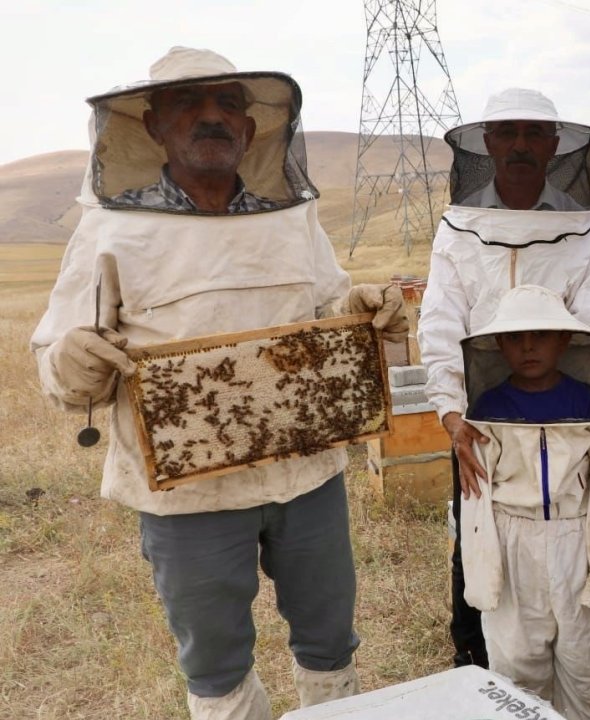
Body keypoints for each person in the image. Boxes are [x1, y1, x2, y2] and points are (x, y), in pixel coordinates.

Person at [29, 47, 408, 720]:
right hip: (187, 499)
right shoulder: (112, 229)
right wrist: (73, 360)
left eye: (227, 103)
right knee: (215, 663)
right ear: (152, 126)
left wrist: (361, 309)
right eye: (189, 104)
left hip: (309, 474)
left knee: (329, 640)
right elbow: (57, 359)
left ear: (252, 127)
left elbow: (327, 308)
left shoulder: (291, 218)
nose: (212, 117)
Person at [419, 87, 590, 669]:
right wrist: (448, 411)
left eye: (533, 134)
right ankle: (474, 653)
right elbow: (441, 320)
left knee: (577, 524)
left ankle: (574, 633)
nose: (520, 145)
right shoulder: (457, 226)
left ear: (555, 146)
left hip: (570, 410)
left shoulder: (580, 230)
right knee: (476, 530)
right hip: (481, 417)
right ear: (487, 143)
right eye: (508, 133)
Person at [458, 285, 590, 720]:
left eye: (541, 336)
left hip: (576, 536)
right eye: (515, 338)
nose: (528, 347)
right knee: (515, 663)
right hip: (512, 538)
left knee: (583, 662)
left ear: (566, 341)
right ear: (498, 344)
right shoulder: (489, 405)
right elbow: (475, 499)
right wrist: (482, 572)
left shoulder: (588, 401)